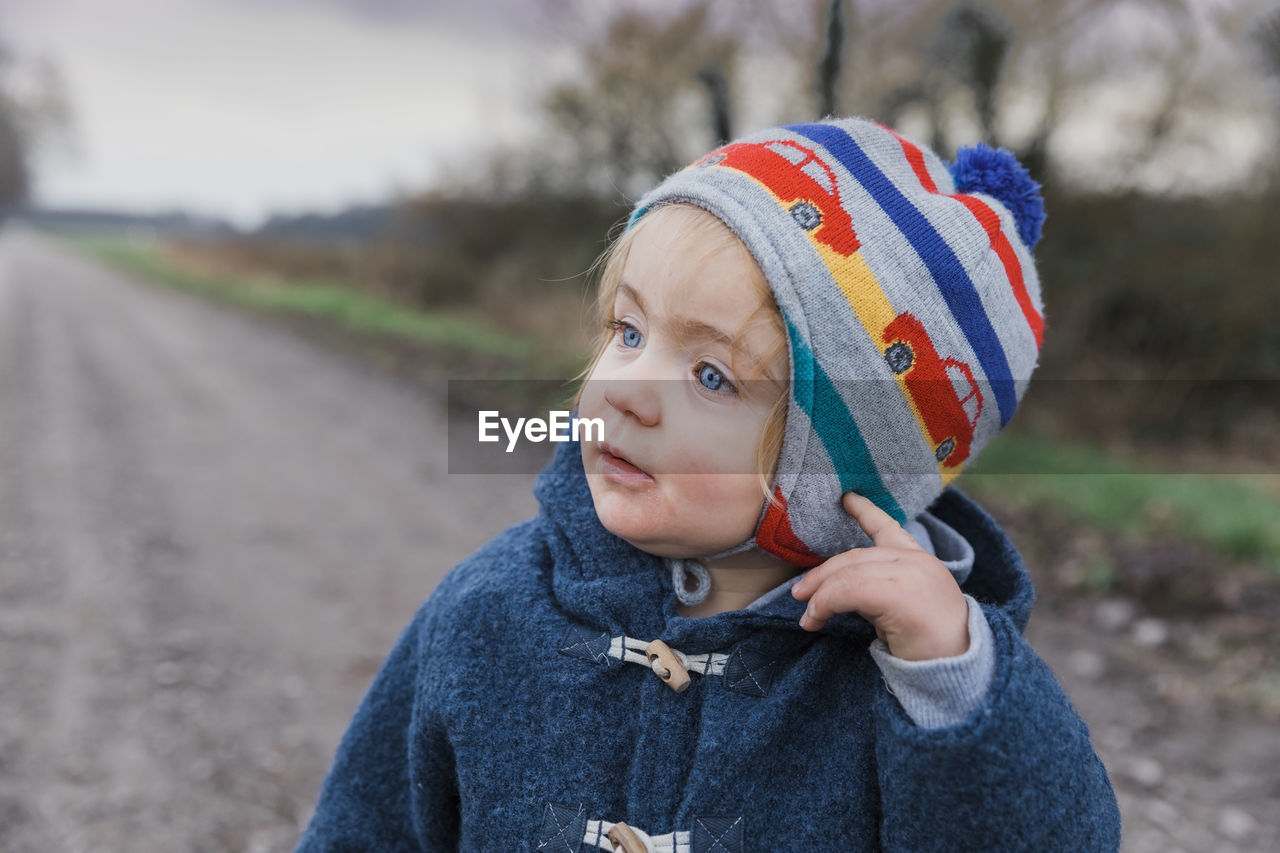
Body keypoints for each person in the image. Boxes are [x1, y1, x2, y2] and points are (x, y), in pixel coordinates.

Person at [294, 116, 1122, 852]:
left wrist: (953, 682)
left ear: (831, 465)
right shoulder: (489, 612)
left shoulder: (905, 676)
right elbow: (365, 826)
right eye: (627, 329)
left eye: (712, 375)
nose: (624, 391)